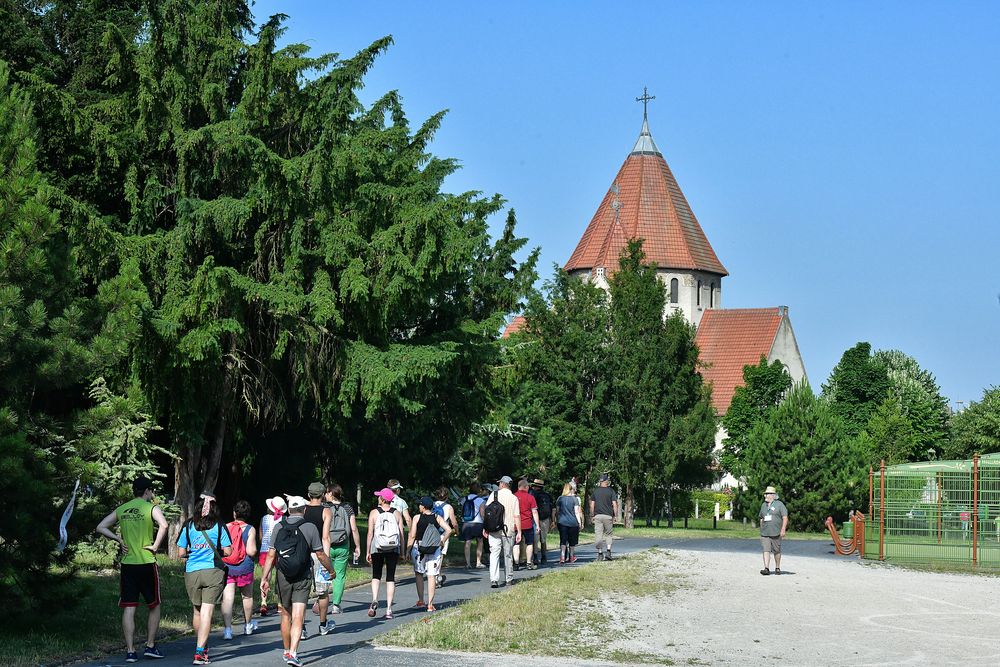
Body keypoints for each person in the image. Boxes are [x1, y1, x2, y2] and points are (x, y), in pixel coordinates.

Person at [95, 476, 168, 663]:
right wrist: (156, 545)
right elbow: (164, 525)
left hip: (128, 564)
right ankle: (150, 646)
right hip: (146, 562)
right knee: (154, 605)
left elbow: (101, 526)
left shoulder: (122, 509)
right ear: (147, 491)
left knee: (129, 606)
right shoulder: (151, 508)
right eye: (150, 491)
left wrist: (118, 539)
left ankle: (130, 651)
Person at [260, 495, 334, 667]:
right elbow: (320, 554)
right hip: (302, 575)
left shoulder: (279, 526)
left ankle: (286, 651)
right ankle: (293, 653)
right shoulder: (310, 527)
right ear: (304, 510)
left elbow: (271, 555)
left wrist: (264, 578)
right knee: (298, 615)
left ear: (289, 510)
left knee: (285, 614)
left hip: (282, 575)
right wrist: (331, 570)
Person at [176, 494, 232, 665]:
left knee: (197, 612)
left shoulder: (188, 525)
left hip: (192, 572)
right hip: (212, 571)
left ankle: (202, 644)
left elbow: (180, 553)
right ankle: (200, 652)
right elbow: (228, 551)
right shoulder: (219, 525)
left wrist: (194, 551)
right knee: (207, 612)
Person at [407, 496, 454, 612]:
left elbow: (412, 535)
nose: (419, 506)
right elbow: (449, 529)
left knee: (419, 573)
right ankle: (430, 604)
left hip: (419, 548)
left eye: (420, 505)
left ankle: (421, 600)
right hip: (434, 548)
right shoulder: (437, 517)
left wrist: (408, 550)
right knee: (431, 575)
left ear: (423, 507)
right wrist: (442, 541)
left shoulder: (417, 518)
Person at [220, 500, 258, 640]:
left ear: (234, 513)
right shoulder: (250, 529)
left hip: (227, 566)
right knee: (247, 596)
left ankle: (228, 631)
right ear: (247, 514)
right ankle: (248, 626)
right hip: (245, 567)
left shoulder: (225, 527)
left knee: (228, 598)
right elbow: (251, 550)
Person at [366, 487, 405, 619]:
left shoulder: (374, 513)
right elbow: (401, 534)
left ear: (382, 499)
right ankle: (389, 609)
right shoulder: (397, 513)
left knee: (376, 575)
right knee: (390, 578)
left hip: (377, 548)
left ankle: (375, 599)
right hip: (393, 548)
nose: (378, 498)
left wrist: (368, 551)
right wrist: (402, 551)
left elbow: (370, 533)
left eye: (379, 496)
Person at [324, 483, 361, 614]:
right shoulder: (348, 508)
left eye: (327, 492)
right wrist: (357, 546)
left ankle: (322, 602)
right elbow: (354, 528)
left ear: (331, 494)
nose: (325, 495)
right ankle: (336, 605)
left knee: (324, 574)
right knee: (339, 576)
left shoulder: (325, 507)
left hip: (326, 546)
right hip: (343, 545)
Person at [303, 482, 334, 636]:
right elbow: (325, 537)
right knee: (323, 592)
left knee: (302, 593)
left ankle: (301, 628)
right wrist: (326, 560)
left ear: (308, 495)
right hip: (318, 553)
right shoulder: (326, 511)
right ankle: (323, 624)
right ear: (322, 495)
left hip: (302, 554)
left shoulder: (302, 509)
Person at [483, 475, 521, 588]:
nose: (499, 485)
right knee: (508, 554)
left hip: (494, 529)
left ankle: (494, 580)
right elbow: (517, 516)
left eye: (500, 483)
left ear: (503, 484)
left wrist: (485, 528)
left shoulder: (493, 495)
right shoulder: (514, 498)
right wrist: (519, 531)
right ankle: (509, 579)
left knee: (494, 554)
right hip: (508, 530)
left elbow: (487, 513)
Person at [258, 496, 286, 617]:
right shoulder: (284, 519)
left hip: (265, 550)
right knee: (280, 576)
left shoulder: (263, 518)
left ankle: (263, 602)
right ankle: (280, 603)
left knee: (266, 577)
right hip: (280, 550)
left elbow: (261, 535)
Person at [759, 485, 788, 575]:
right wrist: (761, 528)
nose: (765, 496)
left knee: (776, 551)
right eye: (765, 494)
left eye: (767, 494)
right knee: (766, 550)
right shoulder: (763, 505)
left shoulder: (779, 504)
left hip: (776, 532)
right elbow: (761, 517)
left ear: (773, 495)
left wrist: (783, 529)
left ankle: (777, 567)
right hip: (765, 533)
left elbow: (785, 517)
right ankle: (766, 568)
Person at [432, 486, 459, 584]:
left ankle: (432, 575)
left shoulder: (432, 505)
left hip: (431, 533)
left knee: (431, 555)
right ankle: (437, 577)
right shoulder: (449, 507)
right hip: (443, 534)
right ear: (447, 497)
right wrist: (457, 531)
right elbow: (454, 523)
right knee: (440, 555)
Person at [589, 473, 619, 561]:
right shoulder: (611, 491)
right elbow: (615, 504)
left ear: (600, 481)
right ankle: (608, 551)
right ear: (606, 481)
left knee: (598, 535)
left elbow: (592, 505)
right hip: (608, 516)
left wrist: (592, 515)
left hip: (598, 516)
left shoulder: (596, 491)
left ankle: (600, 553)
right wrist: (615, 515)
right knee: (608, 534)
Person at [514, 479, 540, 570]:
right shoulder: (530, 497)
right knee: (529, 543)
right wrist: (537, 525)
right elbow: (534, 512)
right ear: (526, 487)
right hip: (528, 524)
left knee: (516, 544)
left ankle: (516, 564)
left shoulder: (513, 497)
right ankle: (529, 563)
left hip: (515, 524)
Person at [460, 482, 487, 568]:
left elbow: (462, 511)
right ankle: (478, 562)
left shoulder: (464, 499)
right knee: (480, 541)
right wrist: (485, 523)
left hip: (466, 523)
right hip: (478, 523)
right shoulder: (481, 500)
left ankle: (468, 563)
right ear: (478, 490)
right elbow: (482, 514)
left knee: (467, 542)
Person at [555, 482, 584, 564]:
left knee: (563, 540)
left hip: (562, 522)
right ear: (571, 490)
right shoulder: (575, 499)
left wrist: (556, 520)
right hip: (573, 522)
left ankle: (562, 556)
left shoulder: (560, 499)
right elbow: (577, 512)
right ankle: (571, 556)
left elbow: (557, 511)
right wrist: (580, 522)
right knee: (572, 541)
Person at [529, 479, 554, 564]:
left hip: (535, 519)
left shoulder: (532, 495)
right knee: (543, 539)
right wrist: (552, 520)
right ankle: (544, 557)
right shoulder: (547, 495)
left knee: (535, 540)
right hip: (545, 519)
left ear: (535, 486)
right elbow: (552, 509)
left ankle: (535, 557)